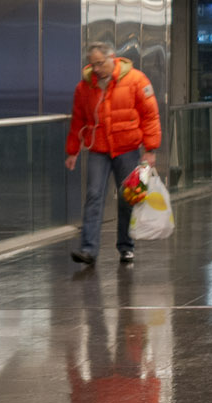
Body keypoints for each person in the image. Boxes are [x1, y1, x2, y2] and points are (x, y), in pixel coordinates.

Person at [65, 42, 161, 265]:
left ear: (112, 58)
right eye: (92, 64)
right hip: (98, 150)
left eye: (100, 63)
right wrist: (73, 151)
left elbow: (150, 116)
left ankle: (126, 247)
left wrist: (150, 149)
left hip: (127, 148)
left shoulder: (136, 80)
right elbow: (78, 120)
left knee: (127, 199)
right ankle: (88, 249)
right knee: (94, 196)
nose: (96, 69)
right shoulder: (85, 87)